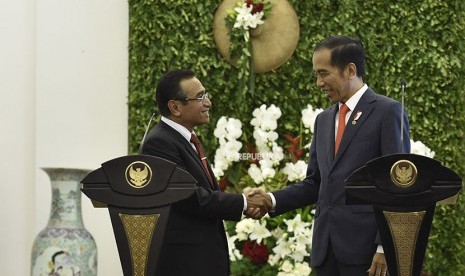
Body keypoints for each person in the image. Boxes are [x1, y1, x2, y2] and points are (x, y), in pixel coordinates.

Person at [249, 35, 410, 276]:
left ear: (349, 70)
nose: (318, 83)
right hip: (326, 253)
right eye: (316, 75)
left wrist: (385, 246)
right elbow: (315, 184)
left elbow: (398, 186)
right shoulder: (323, 120)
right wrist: (270, 199)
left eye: (324, 73)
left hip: (368, 255)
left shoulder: (387, 112)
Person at [140, 69, 268, 276]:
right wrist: (243, 203)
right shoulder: (159, 142)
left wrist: (243, 204)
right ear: (175, 107)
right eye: (200, 97)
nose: (208, 103)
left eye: (205, 95)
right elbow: (189, 197)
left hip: (201, 260)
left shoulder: (184, 139)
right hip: (184, 265)